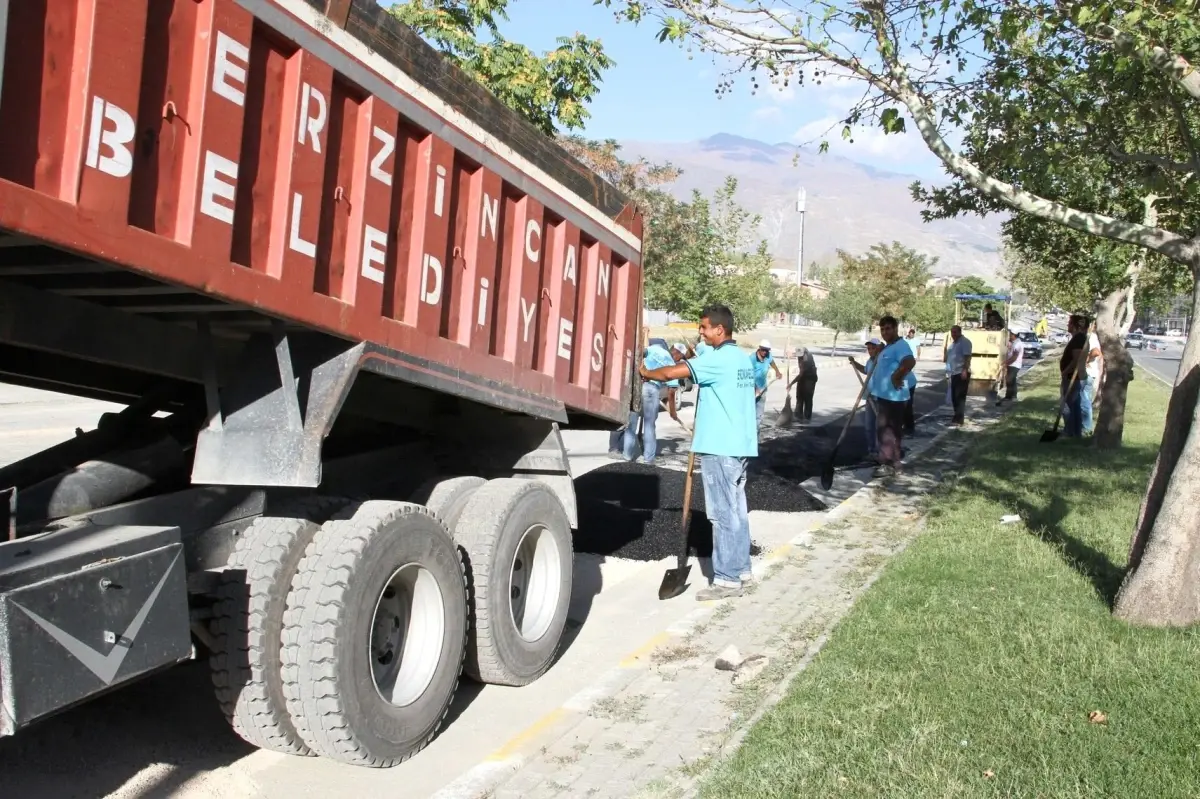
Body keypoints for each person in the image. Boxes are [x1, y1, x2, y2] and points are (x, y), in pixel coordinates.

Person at [640, 303, 757, 600]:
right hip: (739, 446)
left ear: (720, 329)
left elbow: (670, 373)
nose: (701, 332)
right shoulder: (740, 358)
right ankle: (742, 571)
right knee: (737, 512)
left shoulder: (717, 361)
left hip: (719, 447)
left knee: (721, 514)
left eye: (704, 328)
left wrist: (645, 370)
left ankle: (727, 580)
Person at [609, 335, 675, 463]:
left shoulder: (653, 350)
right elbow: (672, 389)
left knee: (631, 425)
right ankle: (648, 459)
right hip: (653, 390)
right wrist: (673, 411)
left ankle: (627, 456)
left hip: (639, 387)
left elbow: (639, 353)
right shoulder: (670, 362)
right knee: (649, 426)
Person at [868, 316, 916, 478]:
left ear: (896, 329)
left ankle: (887, 464)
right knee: (892, 432)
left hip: (894, 398)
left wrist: (896, 377)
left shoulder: (901, 346)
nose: (885, 332)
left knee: (886, 431)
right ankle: (894, 462)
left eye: (888, 328)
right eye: (882, 329)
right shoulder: (889, 347)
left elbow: (909, 361)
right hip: (885, 396)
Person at [849, 339, 882, 462]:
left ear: (878, 348)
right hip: (869, 397)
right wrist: (854, 363)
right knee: (869, 426)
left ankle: (881, 453)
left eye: (873, 348)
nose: (870, 351)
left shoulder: (882, 361)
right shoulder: (870, 361)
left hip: (881, 398)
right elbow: (865, 370)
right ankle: (871, 451)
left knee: (880, 427)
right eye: (868, 349)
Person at [1059, 315, 1088, 437]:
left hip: (1073, 377)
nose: (1067, 325)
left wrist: (1065, 372)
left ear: (1076, 326)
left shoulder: (1078, 339)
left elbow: (1076, 359)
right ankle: (1075, 432)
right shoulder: (1079, 338)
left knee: (1067, 405)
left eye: (1070, 323)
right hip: (1074, 377)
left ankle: (1070, 431)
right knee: (1074, 405)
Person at [751, 339, 783, 429]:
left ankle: (756, 433)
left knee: (759, 415)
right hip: (752, 390)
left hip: (763, 389)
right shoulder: (752, 358)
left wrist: (777, 371)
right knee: (750, 413)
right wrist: (755, 388)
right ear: (759, 348)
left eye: (767, 350)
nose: (765, 352)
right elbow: (748, 374)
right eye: (763, 350)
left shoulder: (768, 356)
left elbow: (772, 361)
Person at [945, 325, 973, 425]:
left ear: (960, 332)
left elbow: (967, 357)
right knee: (954, 397)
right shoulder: (953, 344)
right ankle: (956, 416)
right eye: (952, 332)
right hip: (953, 372)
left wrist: (964, 370)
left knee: (959, 397)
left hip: (961, 372)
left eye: (955, 332)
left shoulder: (964, 342)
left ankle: (959, 419)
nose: (953, 334)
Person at [1081, 322, 1103, 435]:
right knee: (1081, 400)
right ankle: (1081, 426)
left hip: (1088, 373)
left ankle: (1086, 428)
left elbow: (1096, 352)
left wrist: (1085, 360)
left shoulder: (1092, 337)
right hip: (1085, 373)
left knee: (1084, 401)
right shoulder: (1087, 337)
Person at [788, 344, 819, 421]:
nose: (799, 357)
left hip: (810, 378)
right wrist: (791, 354)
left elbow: (801, 374)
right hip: (803, 377)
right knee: (799, 396)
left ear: (804, 353)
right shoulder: (802, 352)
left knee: (807, 397)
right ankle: (798, 414)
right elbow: (797, 353)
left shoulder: (806, 360)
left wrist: (791, 384)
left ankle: (807, 417)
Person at [997, 329, 1024, 405]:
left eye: (1010, 334)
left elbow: (1014, 357)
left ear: (1014, 335)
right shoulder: (1014, 343)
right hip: (1011, 364)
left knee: (1011, 380)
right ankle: (1008, 396)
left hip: (1014, 365)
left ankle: (1013, 397)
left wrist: (1006, 362)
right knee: (1009, 380)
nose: (1009, 336)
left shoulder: (1018, 344)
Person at [902, 330, 919, 434]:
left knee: (906, 404)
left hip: (908, 382)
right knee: (902, 405)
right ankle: (906, 425)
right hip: (904, 381)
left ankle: (909, 427)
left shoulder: (901, 351)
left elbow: (912, 362)